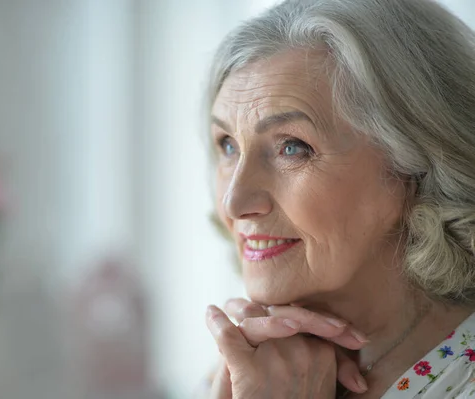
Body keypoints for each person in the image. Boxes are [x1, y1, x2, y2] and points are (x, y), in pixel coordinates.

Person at [203, 0, 475, 397]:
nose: (234, 202)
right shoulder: (246, 373)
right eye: (228, 145)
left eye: (292, 147)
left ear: (416, 164)